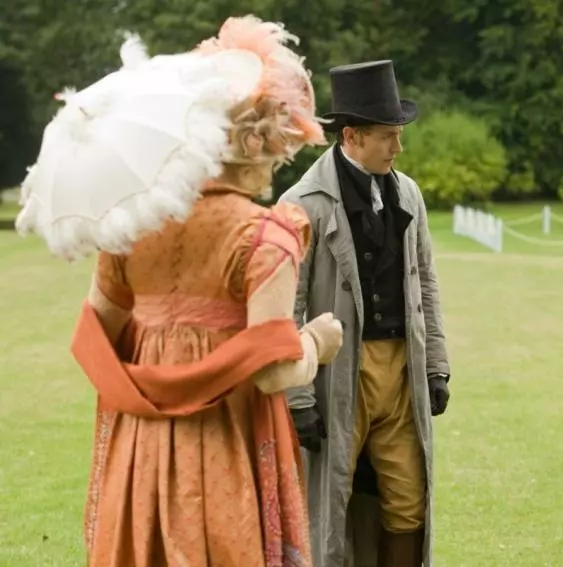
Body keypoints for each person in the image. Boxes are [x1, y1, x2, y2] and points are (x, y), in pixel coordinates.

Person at [65, 16, 345, 566]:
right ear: (255, 143)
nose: (280, 161)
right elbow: (273, 371)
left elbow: (99, 334)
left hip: (140, 449)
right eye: (281, 145)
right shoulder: (265, 236)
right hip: (226, 442)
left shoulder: (132, 226)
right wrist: (317, 341)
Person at [278, 60, 451, 567]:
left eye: (398, 135)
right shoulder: (302, 203)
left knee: (408, 504)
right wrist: (297, 397)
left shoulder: (408, 193)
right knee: (329, 508)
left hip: (400, 371)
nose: (398, 147)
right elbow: (286, 307)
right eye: (388, 136)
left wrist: (436, 366)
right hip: (336, 373)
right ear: (352, 136)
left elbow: (426, 283)